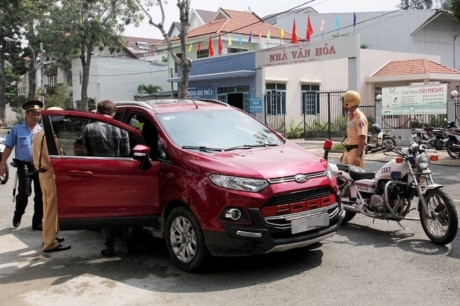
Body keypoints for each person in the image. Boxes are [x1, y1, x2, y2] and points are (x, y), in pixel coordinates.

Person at [82, 100, 129, 257]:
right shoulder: (122, 129)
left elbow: (85, 152)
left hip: (97, 173)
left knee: (105, 209)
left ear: (97, 112)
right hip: (118, 173)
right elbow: (126, 153)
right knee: (122, 207)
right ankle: (128, 243)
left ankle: (109, 246)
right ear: (113, 113)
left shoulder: (88, 128)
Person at [0, 100, 44, 230]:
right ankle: (18, 214)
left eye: (38, 114)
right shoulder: (17, 129)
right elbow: (8, 147)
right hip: (24, 165)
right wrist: (2, 163)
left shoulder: (41, 130)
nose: (36, 117)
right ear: (26, 114)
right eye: (33, 114)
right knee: (25, 192)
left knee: (40, 194)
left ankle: (37, 222)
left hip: (39, 165)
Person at [32, 107, 71, 252]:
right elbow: (53, 159)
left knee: (48, 207)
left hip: (43, 174)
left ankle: (50, 236)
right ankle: (50, 243)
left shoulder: (38, 133)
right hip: (49, 174)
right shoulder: (49, 136)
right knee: (51, 211)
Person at [340, 90, 368, 168]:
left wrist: (357, 157)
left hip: (355, 151)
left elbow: (362, 138)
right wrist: (344, 153)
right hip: (348, 151)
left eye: (344, 102)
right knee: (344, 175)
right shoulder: (351, 117)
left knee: (355, 176)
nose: (343, 105)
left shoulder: (359, 118)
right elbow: (349, 138)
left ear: (349, 102)